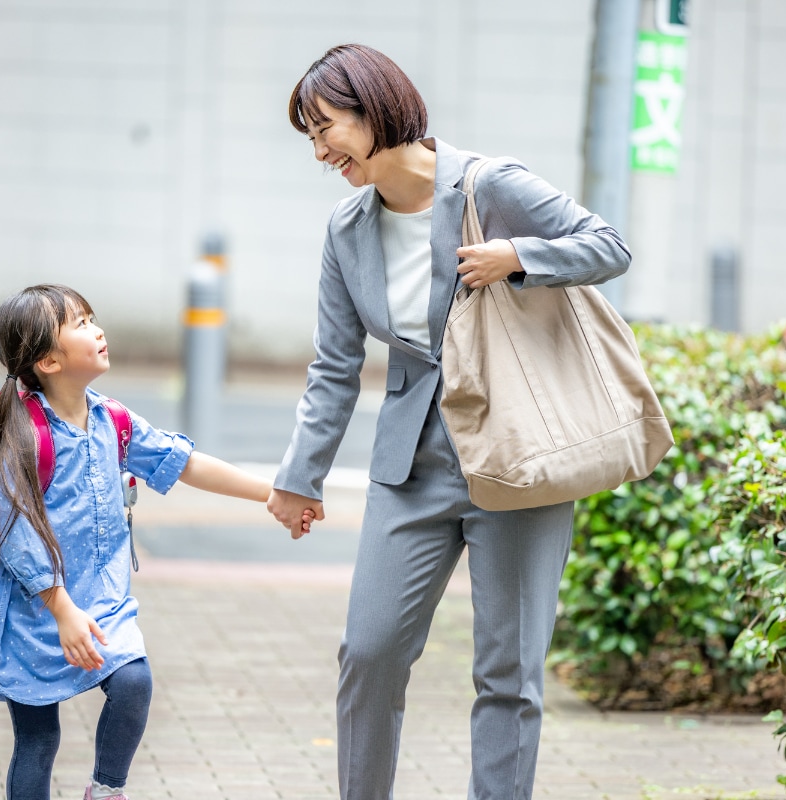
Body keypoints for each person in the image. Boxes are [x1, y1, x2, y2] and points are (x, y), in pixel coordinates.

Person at [267, 44, 631, 799]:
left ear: (375, 108)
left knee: (508, 671)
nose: (319, 149)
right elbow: (335, 365)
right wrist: (299, 478)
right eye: (310, 134)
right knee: (368, 652)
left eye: (326, 126)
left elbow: (608, 245)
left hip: (517, 457)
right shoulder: (346, 230)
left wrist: (516, 256)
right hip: (411, 466)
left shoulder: (489, 185)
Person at [0, 284, 293, 800]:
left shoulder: (111, 419)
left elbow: (183, 462)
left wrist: (274, 494)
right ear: (48, 361)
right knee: (38, 738)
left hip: (103, 602)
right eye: (79, 324)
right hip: (34, 611)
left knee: (133, 684)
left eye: (92, 318)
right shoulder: (23, 435)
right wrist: (61, 609)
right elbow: (15, 535)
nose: (97, 329)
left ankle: (106, 790)